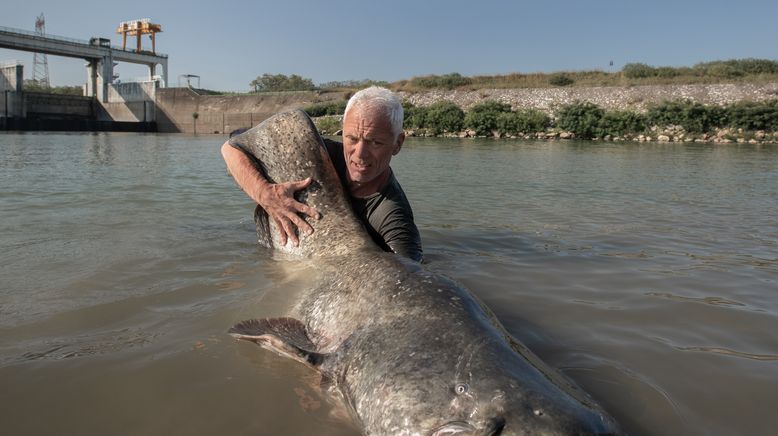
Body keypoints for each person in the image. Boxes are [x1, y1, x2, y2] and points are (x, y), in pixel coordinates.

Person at [221, 86, 423, 262]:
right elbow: (230, 149)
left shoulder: (393, 217)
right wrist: (265, 194)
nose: (359, 154)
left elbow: (409, 274)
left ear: (398, 143)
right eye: (351, 139)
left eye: (375, 142)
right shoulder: (319, 154)